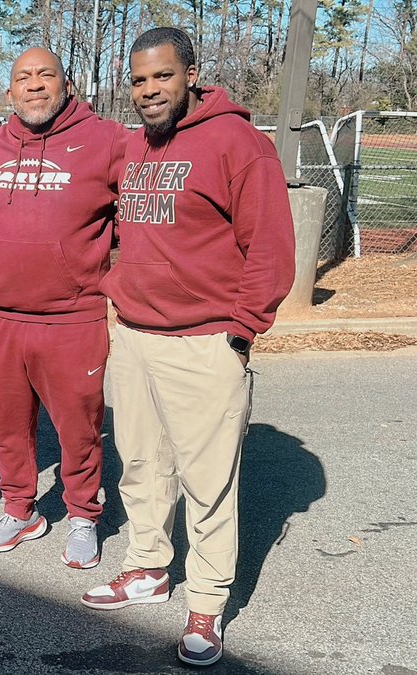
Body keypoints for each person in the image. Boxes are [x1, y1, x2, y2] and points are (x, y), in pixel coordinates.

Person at [82, 27, 295, 668]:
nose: (149, 90)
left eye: (162, 76)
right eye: (139, 80)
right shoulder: (136, 146)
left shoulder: (239, 144)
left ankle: (206, 603)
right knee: (143, 466)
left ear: (192, 75)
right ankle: (149, 568)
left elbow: (270, 247)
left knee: (208, 485)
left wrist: (241, 331)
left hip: (204, 341)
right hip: (135, 336)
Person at [0, 47, 127, 568]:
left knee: (79, 426)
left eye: (45, 75)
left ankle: (83, 514)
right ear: (9, 92)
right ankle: (20, 509)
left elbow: (143, 212)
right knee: (7, 425)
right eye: (23, 77)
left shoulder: (107, 141)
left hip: (72, 317)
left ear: (67, 84)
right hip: (1, 315)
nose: (34, 85)